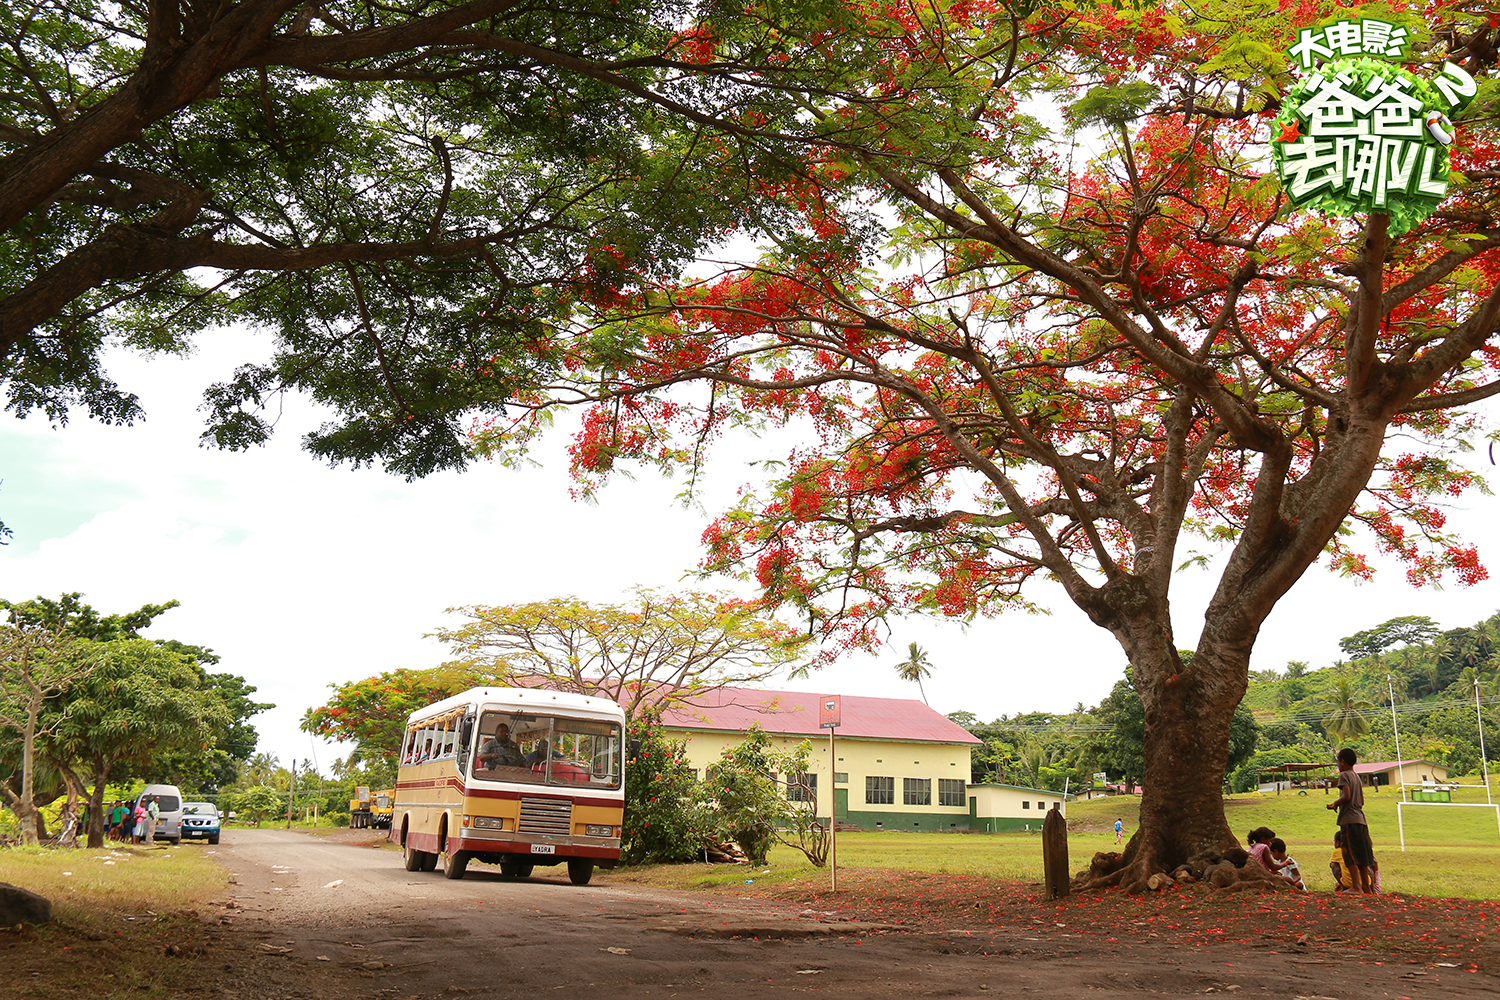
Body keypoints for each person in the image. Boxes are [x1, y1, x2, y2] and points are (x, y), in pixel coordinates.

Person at [1327, 747, 1376, 893]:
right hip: (1361, 819)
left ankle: (1356, 886)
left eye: (1337, 761)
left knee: (1349, 853)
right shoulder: (1357, 777)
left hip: (1349, 819)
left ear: (1342, 761)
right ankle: (1366, 887)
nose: (1337, 765)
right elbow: (1361, 800)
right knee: (1362, 854)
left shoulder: (1344, 776)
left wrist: (1335, 803)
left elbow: (1346, 796)